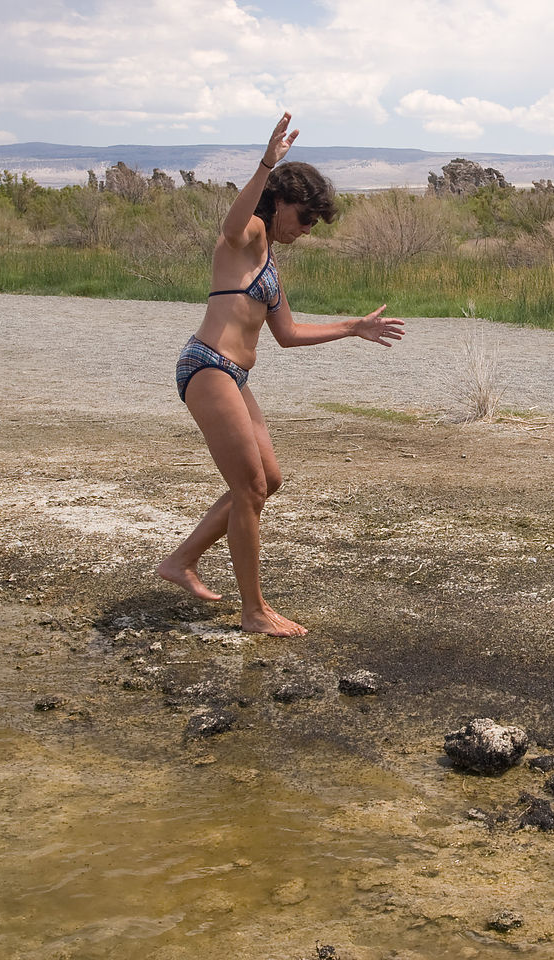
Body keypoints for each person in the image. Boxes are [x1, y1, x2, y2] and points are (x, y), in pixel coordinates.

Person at [156, 113, 405, 637]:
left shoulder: (269, 264)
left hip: (234, 376)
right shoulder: (246, 237)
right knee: (248, 487)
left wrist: (353, 327)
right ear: (281, 202)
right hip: (207, 366)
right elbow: (229, 225)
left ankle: (181, 561)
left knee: (268, 481)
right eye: (306, 218)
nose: (307, 230)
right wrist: (267, 163)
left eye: (314, 224)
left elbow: (287, 333)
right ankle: (254, 612)